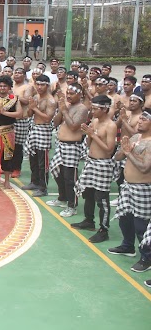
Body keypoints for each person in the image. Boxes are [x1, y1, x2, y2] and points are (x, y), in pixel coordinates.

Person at [108, 108, 151, 274]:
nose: (139, 121)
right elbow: (117, 157)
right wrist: (123, 149)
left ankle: (146, 258)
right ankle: (127, 246)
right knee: (125, 218)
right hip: (127, 186)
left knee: (141, 225)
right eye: (139, 119)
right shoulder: (135, 137)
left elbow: (145, 168)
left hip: (143, 188)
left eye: (144, 120)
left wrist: (129, 152)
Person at [72, 95, 117, 243]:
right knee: (88, 193)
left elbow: (109, 150)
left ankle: (104, 230)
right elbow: (89, 144)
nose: (92, 111)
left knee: (102, 198)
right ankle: (89, 220)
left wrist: (92, 134)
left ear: (104, 109)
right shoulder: (95, 121)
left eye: (95, 109)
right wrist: (89, 134)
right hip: (91, 162)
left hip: (103, 164)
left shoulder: (111, 125)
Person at [48, 83, 89, 218]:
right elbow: (55, 123)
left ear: (80, 94)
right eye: (68, 93)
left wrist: (64, 110)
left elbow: (73, 126)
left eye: (72, 93)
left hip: (72, 146)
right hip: (61, 145)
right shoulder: (66, 106)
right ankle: (62, 198)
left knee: (70, 178)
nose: (69, 96)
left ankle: (72, 206)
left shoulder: (82, 109)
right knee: (57, 172)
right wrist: (61, 109)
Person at [22, 75, 57, 197]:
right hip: (34, 128)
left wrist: (34, 108)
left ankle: (43, 187)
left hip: (44, 130)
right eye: (37, 84)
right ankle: (34, 181)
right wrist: (31, 108)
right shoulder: (36, 97)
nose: (39, 87)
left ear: (47, 85)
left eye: (42, 85)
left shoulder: (51, 100)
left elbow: (48, 118)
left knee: (42, 162)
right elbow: (29, 114)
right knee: (33, 159)